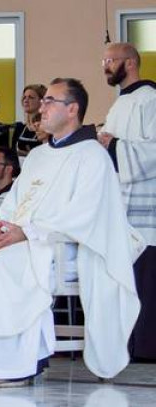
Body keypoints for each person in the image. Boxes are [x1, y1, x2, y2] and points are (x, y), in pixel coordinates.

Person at [0, 78, 141, 387]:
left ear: (73, 109)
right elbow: (13, 206)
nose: (42, 108)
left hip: (58, 247)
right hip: (21, 239)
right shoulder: (38, 156)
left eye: (50, 101)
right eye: (44, 100)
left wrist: (26, 233)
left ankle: (9, 365)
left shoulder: (93, 157)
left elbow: (85, 216)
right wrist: (3, 229)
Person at [97, 42, 156, 360]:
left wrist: (114, 144)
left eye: (110, 60)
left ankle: (147, 348)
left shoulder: (150, 100)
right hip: (122, 208)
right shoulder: (120, 104)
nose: (105, 66)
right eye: (104, 61)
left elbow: (153, 152)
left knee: (147, 280)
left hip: (148, 212)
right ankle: (128, 345)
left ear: (130, 63)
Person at [14, 84, 47, 156]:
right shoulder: (20, 127)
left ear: (41, 101)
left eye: (31, 97)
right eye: (24, 97)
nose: (26, 100)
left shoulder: (46, 128)